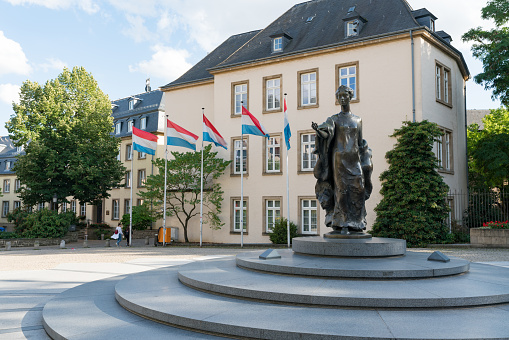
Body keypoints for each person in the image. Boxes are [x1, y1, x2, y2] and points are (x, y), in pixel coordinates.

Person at [312, 85, 373, 233]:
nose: (342, 99)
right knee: (342, 190)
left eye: (345, 95)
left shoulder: (358, 120)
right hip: (339, 159)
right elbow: (327, 132)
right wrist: (319, 131)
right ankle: (342, 222)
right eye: (340, 97)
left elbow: (360, 141)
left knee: (358, 188)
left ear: (350, 97)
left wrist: (366, 159)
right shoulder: (333, 119)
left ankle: (357, 222)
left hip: (354, 158)